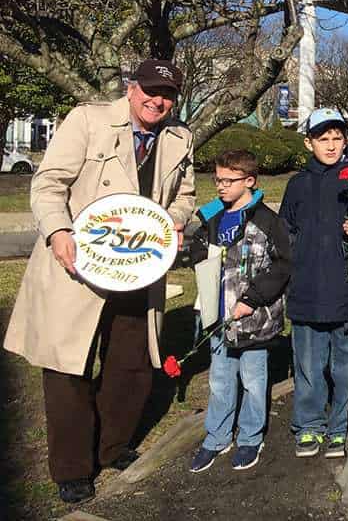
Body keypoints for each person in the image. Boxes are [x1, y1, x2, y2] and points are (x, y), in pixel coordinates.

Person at [3, 59, 195, 504]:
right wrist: (58, 231)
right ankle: (72, 468)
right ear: (131, 88)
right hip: (77, 265)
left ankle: (112, 446)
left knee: (132, 363)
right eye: (150, 90)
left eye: (167, 94)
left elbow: (184, 195)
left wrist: (175, 220)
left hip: (138, 267)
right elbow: (49, 183)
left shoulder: (180, 138)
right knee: (68, 365)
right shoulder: (87, 120)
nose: (157, 101)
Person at [279, 108, 348, 459]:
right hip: (307, 291)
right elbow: (284, 235)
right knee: (309, 366)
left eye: (337, 138)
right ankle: (309, 424)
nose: (330, 145)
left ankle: (342, 426)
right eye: (322, 138)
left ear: (345, 140)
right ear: (308, 142)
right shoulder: (297, 184)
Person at [188, 150, 291, 473]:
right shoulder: (212, 217)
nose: (220, 186)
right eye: (217, 179)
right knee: (220, 380)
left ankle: (250, 437)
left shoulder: (268, 222)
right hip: (218, 316)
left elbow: (283, 265)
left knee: (253, 380)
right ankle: (217, 437)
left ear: (249, 181)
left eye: (228, 181)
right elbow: (196, 251)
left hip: (253, 319)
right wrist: (198, 256)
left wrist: (252, 299)